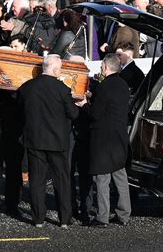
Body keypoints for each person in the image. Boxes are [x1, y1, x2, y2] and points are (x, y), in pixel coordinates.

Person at [17, 54, 79, 228]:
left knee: (37, 180)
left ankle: (38, 219)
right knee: (62, 180)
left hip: (35, 139)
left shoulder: (27, 87)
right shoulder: (62, 89)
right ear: (56, 69)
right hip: (57, 141)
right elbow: (73, 114)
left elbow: (20, 109)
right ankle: (64, 219)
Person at [76, 53, 131, 227]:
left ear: (106, 67)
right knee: (120, 175)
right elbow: (111, 105)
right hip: (120, 136)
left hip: (103, 139)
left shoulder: (103, 86)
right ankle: (124, 214)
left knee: (102, 178)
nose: (100, 70)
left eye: (101, 67)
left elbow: (95, 114)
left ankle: (102, 216)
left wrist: (84, 103)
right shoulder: (123, 85)